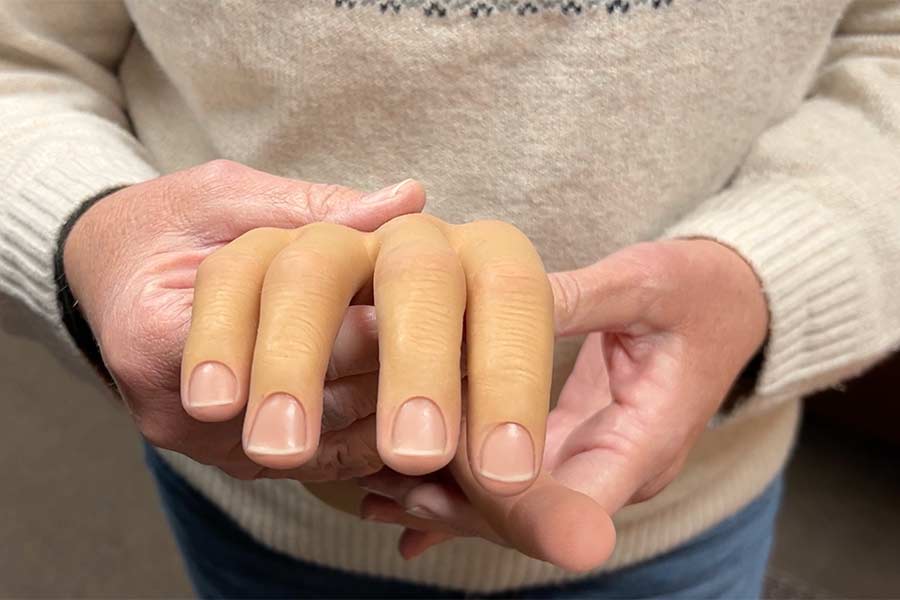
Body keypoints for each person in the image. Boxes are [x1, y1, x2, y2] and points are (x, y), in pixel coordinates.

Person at [1, 1, 898, 598]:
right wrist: (91, 237)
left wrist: (765, 274)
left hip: (683, 504)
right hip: (255, 510)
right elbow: (23, 64)